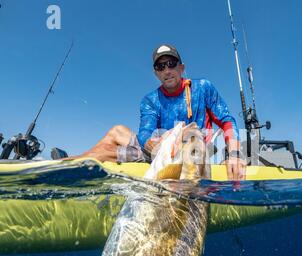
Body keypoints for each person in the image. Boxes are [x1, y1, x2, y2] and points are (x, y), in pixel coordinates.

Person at [75, 44, 246, 180]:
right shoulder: (150, 100)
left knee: (108, 152)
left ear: (182, 67)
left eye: (171, 64)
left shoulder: (203, 88)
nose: (167, 70)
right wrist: (152, 145)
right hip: (161, 151)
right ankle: (68, 164)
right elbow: (145, 132)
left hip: (193, 150)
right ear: (156, 73)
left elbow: (227, 120)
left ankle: (74, 162)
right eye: (160, 66)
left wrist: (234, 154)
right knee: (117, 131)